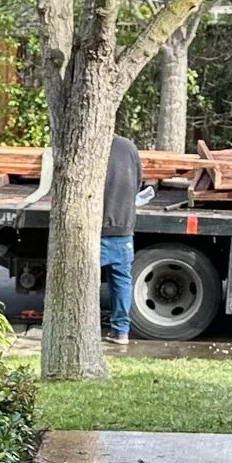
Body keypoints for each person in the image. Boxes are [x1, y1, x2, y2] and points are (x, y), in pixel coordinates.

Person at [101, 132, 143, 346]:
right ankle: (121, 332)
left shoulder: (91, 148)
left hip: (97, 227)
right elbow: (138, 182)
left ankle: (85, 327)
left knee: (85, 281)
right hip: (124, 224)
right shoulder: (128, 146)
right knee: (121, 281)